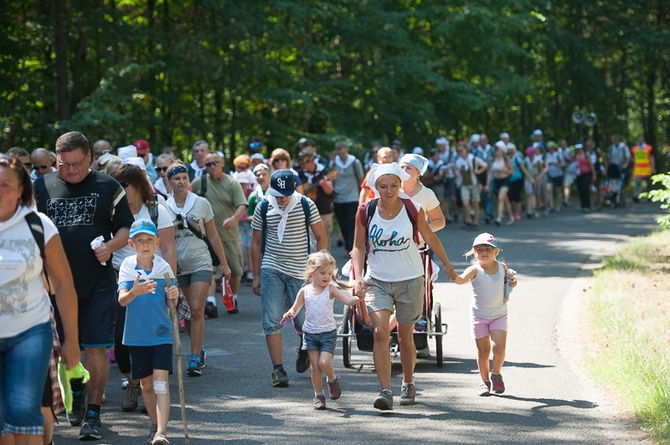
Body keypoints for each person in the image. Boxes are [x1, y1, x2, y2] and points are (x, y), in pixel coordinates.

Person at [33, 131, 134, 441]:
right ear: (55, 160)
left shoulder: (108, 186)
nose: (71, 170)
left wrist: (110, 246)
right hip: (53, 286)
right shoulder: (42, 186)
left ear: (89, 158)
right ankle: (75, 391)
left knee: (95, 348)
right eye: (64, 164)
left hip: (97, 283)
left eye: (77, 164)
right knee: (64, 350)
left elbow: (124, 229)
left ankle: (93, 413)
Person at [351, 163, 458, 410]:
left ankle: (408, 382)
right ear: (375, 187)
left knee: (405, 337)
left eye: (394, 186)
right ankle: (385, 391)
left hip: (410, 279)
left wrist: (449, 266)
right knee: (379, 333)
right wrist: (358, 275)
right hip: (377, 280)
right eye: (383, 186)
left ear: (400, 185)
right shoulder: (365, 211)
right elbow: (358, 246)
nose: (389, 191)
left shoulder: (412, 208)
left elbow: (430, 237)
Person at [0, 154, 80, 445]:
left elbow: (63, 282)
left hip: (30, 332)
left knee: (24, 414)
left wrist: (71, 341)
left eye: (5, 185)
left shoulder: (39, 225)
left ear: (21, 189)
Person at [250, 169, 328, 387]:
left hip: (300, 271)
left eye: (286, 193)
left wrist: (319, 269)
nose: (282, 197)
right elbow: (256, 243)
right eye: (278, 193)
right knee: (272, 320)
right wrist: (256, 275)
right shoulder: (263, 206)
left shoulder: (305, 204)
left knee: (305, 321)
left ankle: (304, 346)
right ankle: (278, 370)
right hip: (271, 268)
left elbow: (321, 236)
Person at [110, 164, 177, 412]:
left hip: (155, 279)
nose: (119, 190)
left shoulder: (157, 210)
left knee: (153, 335)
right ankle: (134, 382)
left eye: (123, 185)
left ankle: (148, 385)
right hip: (121, 278)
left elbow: (168, 248)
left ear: (137, 184)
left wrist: (172, 284)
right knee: (120, 339)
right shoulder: (113, 210)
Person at [166, 162, 231, 377]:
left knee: (196, 308)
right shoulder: (165, 206)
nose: (182, 182)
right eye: (177, 178)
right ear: (170, 182)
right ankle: (198, 348)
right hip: (178, 266)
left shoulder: (201, 203)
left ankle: (194, 357)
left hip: (201, 262)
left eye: (185, 178)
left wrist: (223, 263)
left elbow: (212, 234)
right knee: (185, 312)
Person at [118, 219, 179, 445]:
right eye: (140, 240)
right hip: (136, 335)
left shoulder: (163, 267)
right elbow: (122, 300)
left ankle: (162, 432)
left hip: (161, 333)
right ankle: (154, 425)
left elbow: (171, 301)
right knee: (146, 385)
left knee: (161, 382)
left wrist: (173, 294)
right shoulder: (127, 266)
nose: (145, 244)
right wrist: (134, 291)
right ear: (131, 244)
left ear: (157, 243)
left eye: (149, 240)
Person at [281, 250, 361, 410]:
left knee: (324, 363)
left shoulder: (330, 289)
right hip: (310, 334)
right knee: (315, 367)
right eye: (323, 273)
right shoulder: (304, 291)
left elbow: (347, 300)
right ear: (312, 273)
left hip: (327, 334)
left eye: (330, 273)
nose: (326, 276)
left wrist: (360, 296)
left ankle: (332, 379)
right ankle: (318, 395)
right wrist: (290, 313)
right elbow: (295, 308)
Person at [452, 232, 517, 396]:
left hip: (498, 314)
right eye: (480, 249)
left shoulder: (502, 267)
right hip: (479, 316)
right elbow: (460, 280)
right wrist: (453, 275)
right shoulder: (474, 270)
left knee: (499, 348)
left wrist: (512, 284)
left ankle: (496, 373)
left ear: (496, 252)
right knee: (483, 351)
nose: (484, 252)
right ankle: (484, 381)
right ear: (475, 252)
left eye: (488, 249)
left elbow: (507, 283)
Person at [191, 153, 247, 317]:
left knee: (235, 271)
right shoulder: (199, 182)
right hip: (206, 238)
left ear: (222, 163)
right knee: (209, 270)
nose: (212, 167)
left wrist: (234, 218)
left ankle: (233, 298)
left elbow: (242, 205)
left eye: (215, 163)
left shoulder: (231, 183)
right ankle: (211, 303)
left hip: (228, 236)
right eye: (208, 165)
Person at [296, 148, 335, 250]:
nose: (302, 166)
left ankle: (325, 264)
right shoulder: (299, 173)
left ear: (311, 161)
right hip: (306, 212)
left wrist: (324, 184)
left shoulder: (324, 171)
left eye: (304, 163)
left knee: (324, 241)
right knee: (311, 242)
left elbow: (329, 191)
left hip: (323, 211)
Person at [330, 141, 364, 254]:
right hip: (339, 197)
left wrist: (360, 193)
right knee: (342, 222)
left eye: (343, 153)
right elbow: (330, 178)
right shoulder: (334, 163)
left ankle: (351, 247)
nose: (342, 155)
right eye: (340, 153)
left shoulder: (355, 162)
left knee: (351, 222)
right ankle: (347, 244)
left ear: (347, 151)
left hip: (352, 196)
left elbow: (360, 178)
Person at [454, 142, 487, 229]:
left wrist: (478, 171)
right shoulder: (458, 161)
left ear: (466, 150)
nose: (460, 152)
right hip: (464, 185)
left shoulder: (473, 159)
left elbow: (485, 165)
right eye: (458, 151)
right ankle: (468, 220)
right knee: (465, 203)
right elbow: (458, 173)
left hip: (474, 184)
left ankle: (475, 222)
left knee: (475, 203)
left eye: (461, 150)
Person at [487, 141, 514, 226]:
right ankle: (511, 217)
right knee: (505, 200)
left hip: (505, 180)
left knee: (500, 197)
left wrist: (504, 170)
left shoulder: (506, 160)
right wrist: (487, 185)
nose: (496, 151)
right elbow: (490, 173)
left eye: (497, 149)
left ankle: (499, 217)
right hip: (497, 181)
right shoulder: (494, 160)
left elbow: (512, 171)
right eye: (495, 149)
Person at [605, 134, 631, 203]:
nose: (614, 141)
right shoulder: (611, 148)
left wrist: (625, 164)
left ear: (618, 140)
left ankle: (623, 199)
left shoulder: (623, 147)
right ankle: (612, 197)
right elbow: (608, 158)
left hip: (621, 166)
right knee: (611, 182)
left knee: (622, 183)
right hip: (613, 167)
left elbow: (628, 157)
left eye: (615, 139)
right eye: (613, 140)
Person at [631, 134, 656, 202]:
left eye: (641, 139)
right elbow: (633, 159)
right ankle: (636, 196)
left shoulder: (649, 148)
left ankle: (650, 196)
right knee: (637, 183)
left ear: (644, 139)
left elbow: (651, 158)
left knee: (649, 184)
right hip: (638, 170)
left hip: (647, 169)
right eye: (639, 139)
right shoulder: (634, 149)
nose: (640, 140)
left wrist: (653, 167)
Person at [573, 142, 596, 212]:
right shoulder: (575, 156)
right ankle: (583, 206)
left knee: (585, 188)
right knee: (580, 190)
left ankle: (587, 205)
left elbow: (591, 165)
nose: (579, 149)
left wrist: (594, 174)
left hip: (587, 174)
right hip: (578, 174)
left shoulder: (586, 154)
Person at [543, 141, 565, 214]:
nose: (549, 148)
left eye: (551, 147)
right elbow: (546, 165)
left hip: (558, 174)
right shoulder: (547, 155)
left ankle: (559, 205)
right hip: (550, 175)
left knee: (558, 190)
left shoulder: (558, 154)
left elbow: (563, 164)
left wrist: (556, 163)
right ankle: (551, 205)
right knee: (548, 189)